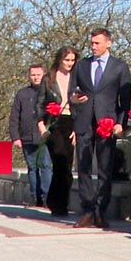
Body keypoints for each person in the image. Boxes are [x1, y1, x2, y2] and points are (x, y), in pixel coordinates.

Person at [71, 28, 131, 229]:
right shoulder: (82, 66)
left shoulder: (119, 67)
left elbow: (125, 99)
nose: (93, 47)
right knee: (84, 167)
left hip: (107, 123)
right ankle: (87, 211)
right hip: (85, 121)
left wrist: (120, 123)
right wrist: (74, 99)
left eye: (97, 43)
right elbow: (73, 91)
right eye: (92, 43)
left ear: (108, 43)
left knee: (105, 168)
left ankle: (100, 211)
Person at [38, 47, 78, 217]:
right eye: (66, 60)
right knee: (59, 161)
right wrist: (41, 127)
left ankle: (62, 203)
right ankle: (55, 202)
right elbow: (39, 105)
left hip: (72, 122)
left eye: (72, 60)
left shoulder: (77, 78)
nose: (69, 64)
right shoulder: (48, 79)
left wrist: (78, 129)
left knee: (67, 165)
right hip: (54, 123)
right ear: (59, 60)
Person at [10, 65, 51, 207]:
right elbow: (14, 116)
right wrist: (15, 137)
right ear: (29, 76)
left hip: (44, 136)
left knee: (46, 166)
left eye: (38, 74)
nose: (36, 77)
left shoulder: (49, 93)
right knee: (32, 168)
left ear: (43, 75)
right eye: (33, 74)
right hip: (26, 136)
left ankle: (47, 197)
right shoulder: (22, 94)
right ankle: (35, 197)